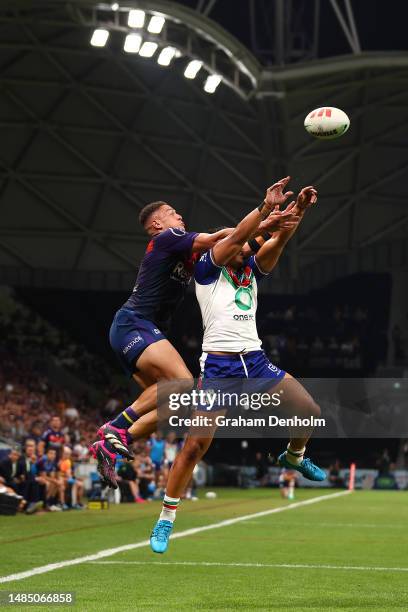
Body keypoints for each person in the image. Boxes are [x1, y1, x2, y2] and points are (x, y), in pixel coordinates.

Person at [150, 182, 326, 553]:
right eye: (244, 242)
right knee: (194, 446)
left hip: (256, 362)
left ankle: (293, 457)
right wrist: (266, 209)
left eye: (249, 244)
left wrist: (301, 209)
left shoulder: (251, 269)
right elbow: (247, 232)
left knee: (309, 411)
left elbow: (279, 239)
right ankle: (166, 519)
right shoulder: (207, 268)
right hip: (219, 368)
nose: (248, 245)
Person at [91, 192, 296, 486]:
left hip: (133, 330)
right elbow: (231, 237)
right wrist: (264, 213)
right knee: (184, 383)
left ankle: (110, 446)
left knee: (176, 401)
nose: (180, 217)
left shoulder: (184, 252)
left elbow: (235, 241)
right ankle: (115, 428)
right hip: (135, 323)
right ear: (157, 224)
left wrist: (269, 227)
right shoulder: (167, 238)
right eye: (173, 212)